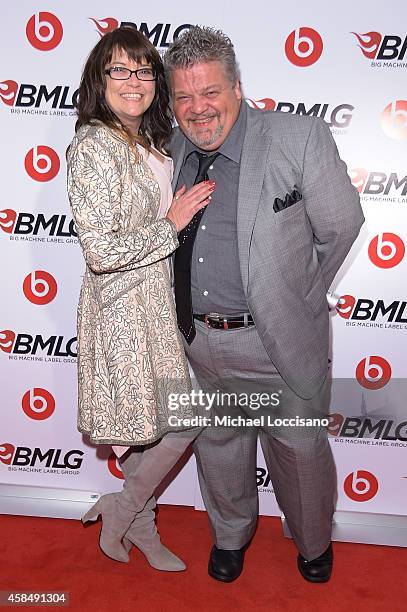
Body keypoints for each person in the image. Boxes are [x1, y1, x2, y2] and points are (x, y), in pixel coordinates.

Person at [164, 26, 364, 583]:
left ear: (237, 87)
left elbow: (342, 225)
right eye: (184, 97)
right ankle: (230, 535)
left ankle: (313, 543)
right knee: (220, 445)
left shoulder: (296, 137)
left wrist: (294, 295)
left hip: (277, 344)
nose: (198, 110)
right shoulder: (172, 148)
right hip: (200, 343)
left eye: (210, 93)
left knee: (300, 453)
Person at [66, 27, 213, 570]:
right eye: (120, 70)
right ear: (99, 80)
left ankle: (134, 521)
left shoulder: (149, 143)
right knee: (174, 420)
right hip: (123, 311)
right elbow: (102, 250)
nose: (134, 81)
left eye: (144, 70)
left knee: (151, 428)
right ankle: (127, 511)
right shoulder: (93, 145)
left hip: (156, 305)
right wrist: (170, 224)